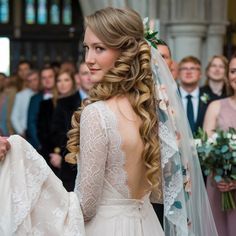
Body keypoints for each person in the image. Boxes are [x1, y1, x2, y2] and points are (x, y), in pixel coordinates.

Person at [0, 7, 218, 236]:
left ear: (125, 52)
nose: (89, 60)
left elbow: (85, 207)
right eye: (86, 48)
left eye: (99, 48)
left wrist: (22, 156)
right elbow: (159, 192)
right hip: (147, 224)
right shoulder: (151, 109)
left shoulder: (98, 113)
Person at [203, 53, 236, 236]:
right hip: (219, 186)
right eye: (233, 71)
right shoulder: (216, 106)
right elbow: (207, 148)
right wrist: (221, 175)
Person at [50, 61, 93, 191]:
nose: (89, 77)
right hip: (72, 167)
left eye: (92, 72)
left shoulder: (108, 101)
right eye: (85, 73)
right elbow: (56, 132)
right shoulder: (64, 103)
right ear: (78, 78)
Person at [178, 56, 208, 134]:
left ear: (200, 74)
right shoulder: (169, 97)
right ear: (178, 74)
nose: (188, 72)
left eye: (193, 68)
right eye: (184, 68)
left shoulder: (211, 99)